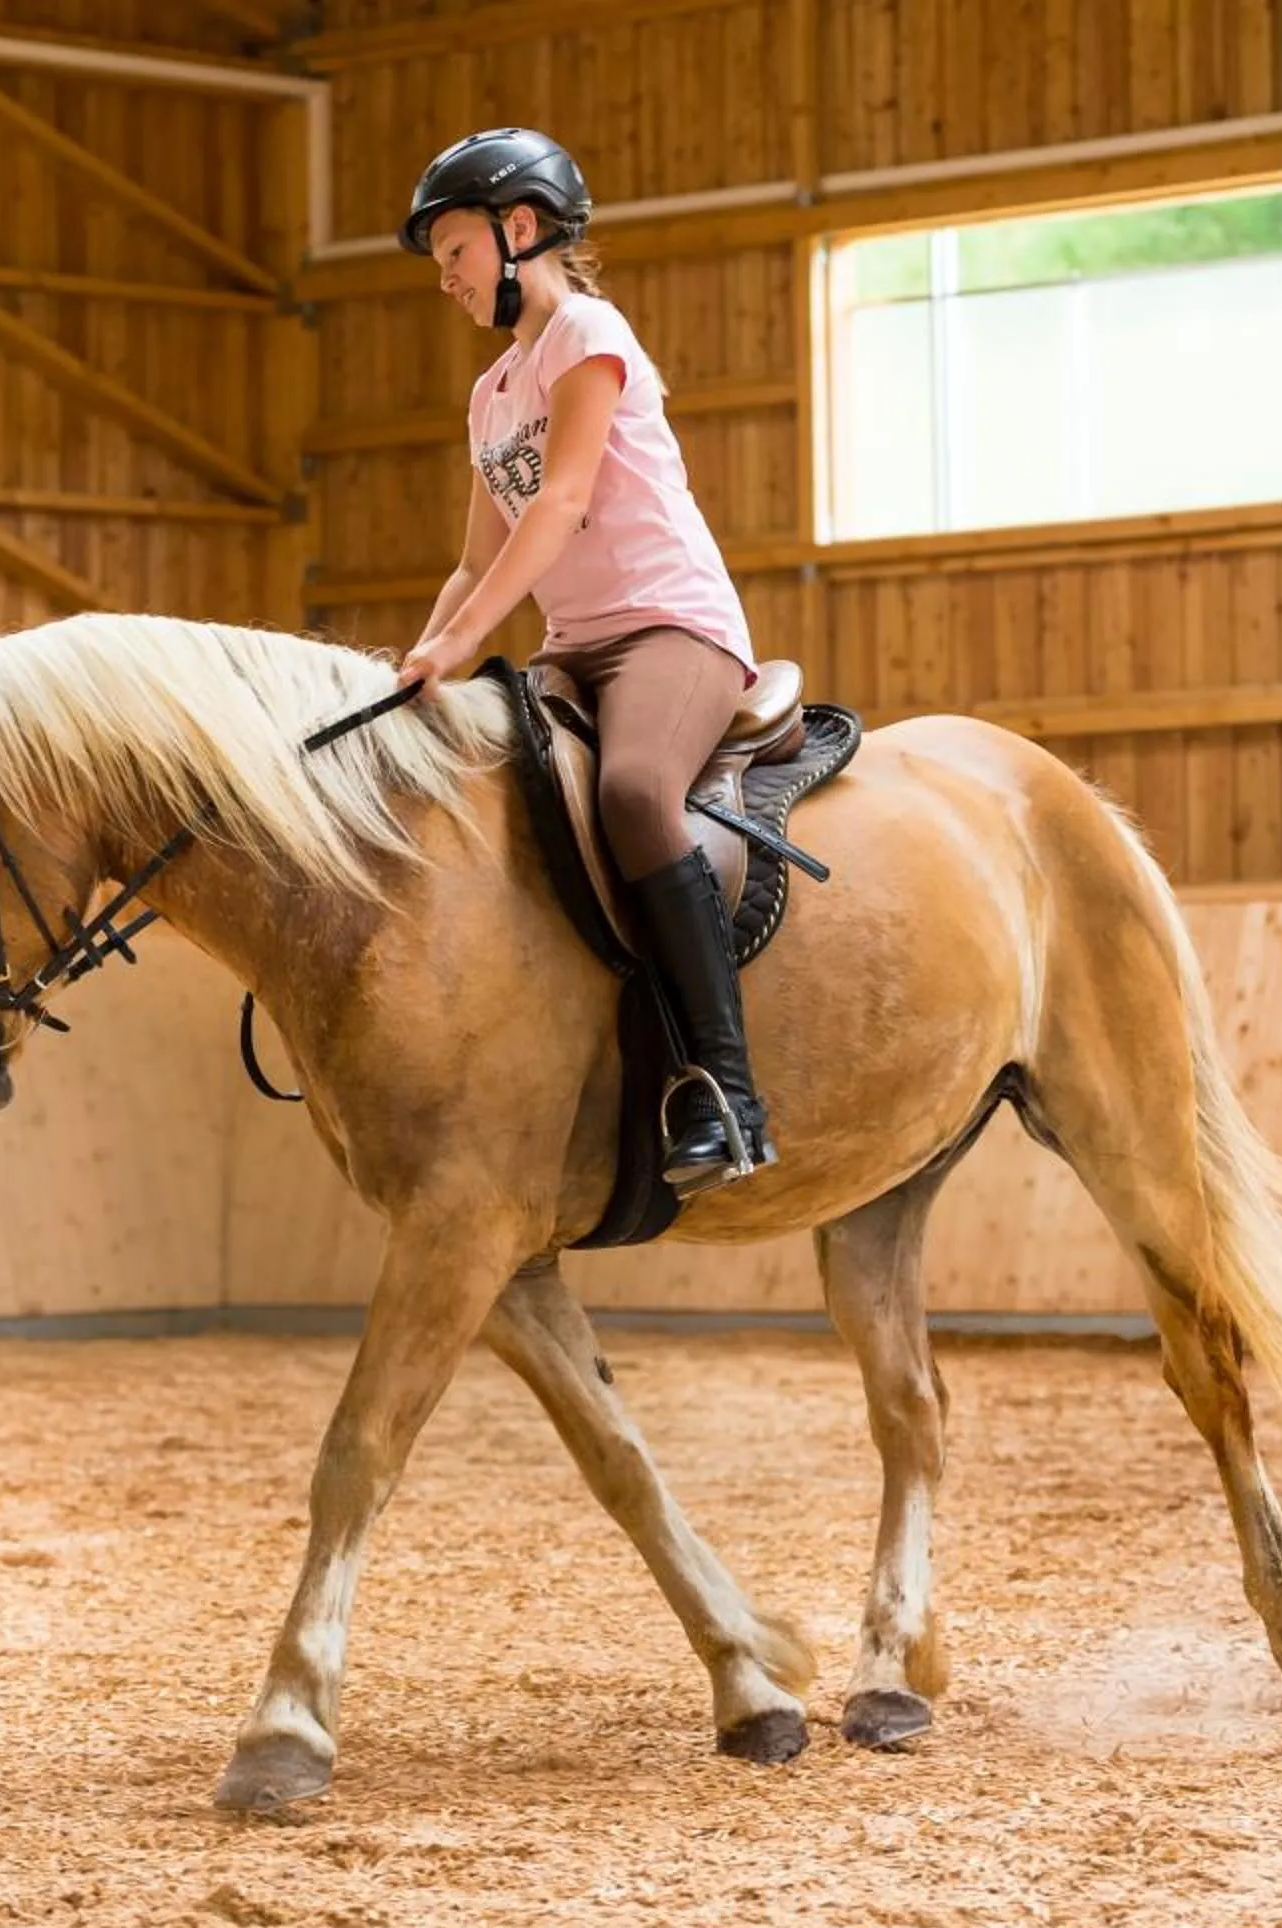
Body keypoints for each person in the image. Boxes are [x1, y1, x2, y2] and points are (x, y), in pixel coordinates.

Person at [390, 127, 777, 1193]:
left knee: (639, 793)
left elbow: (559, 504)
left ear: (519, 231)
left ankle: (728, 1092)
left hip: (670, 627)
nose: (448, 280)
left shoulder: (587, 334)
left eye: (455, 253)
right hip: (571, 648)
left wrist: (467, 645)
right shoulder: (489, 396)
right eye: (439, 266)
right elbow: (475, 561)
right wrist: (420, 658)